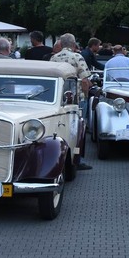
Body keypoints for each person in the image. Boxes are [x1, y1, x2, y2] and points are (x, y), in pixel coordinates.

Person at [50, 33, 93, 170]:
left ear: (61, 44)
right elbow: (85, 80)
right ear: (74, 44)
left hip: (59, 100)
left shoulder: (54, 58)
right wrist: (85, 96)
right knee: (78, 130)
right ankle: (77, 159)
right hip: (76, 99)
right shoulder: (77, 57)